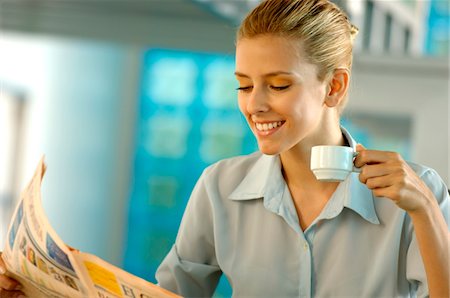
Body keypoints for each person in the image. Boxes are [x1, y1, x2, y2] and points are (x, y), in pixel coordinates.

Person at [1, 0, 448, 297]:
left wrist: (426, 211)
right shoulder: (220, 187)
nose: (255, 104)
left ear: (333, 87)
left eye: (277, 84)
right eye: (244, 85)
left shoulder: (415, 194)